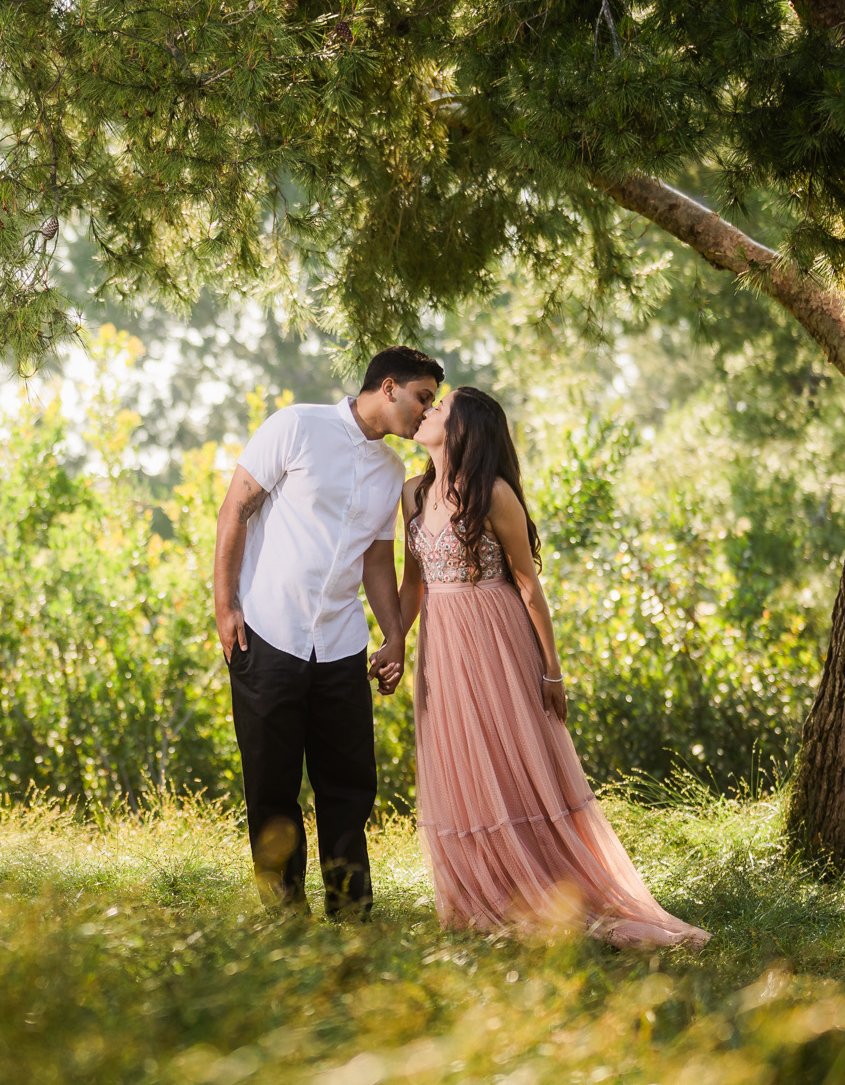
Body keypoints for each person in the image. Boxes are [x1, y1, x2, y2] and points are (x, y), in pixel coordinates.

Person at [384, 385, 711, 949]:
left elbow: (529, 586)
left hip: (496, 634)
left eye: (439, 407)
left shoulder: (493, 493)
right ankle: (480, 891)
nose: (426, 411)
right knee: (459, 752)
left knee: (510, 753)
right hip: (443, 640)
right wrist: (394, 642)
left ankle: (546, 885)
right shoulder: (412, 493)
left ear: (464, 428)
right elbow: (412, 585)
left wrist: (551, 670)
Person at [212, 346, 444, 919]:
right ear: (387, 388)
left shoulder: (391, 472)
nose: (425, 413)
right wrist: (225, 607)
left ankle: (352, 915)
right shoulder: (296, 426)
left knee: (349, 788)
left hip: (342, 646)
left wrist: (394, 636)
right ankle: (284, 918)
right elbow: (235, 510)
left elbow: (375, 562)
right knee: (271, 786)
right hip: (267, 633)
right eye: (422, 398)